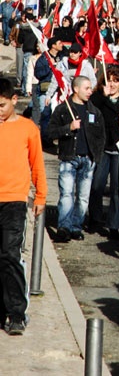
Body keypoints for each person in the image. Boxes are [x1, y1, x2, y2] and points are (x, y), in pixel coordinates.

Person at [0, 78, 47, 335]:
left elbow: (37, 163)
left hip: (15, 200)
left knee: (10, 254)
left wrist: (41, 196)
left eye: (2, 105)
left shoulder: (28, 128)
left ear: (14, 101)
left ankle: (16, 312)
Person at [47, 77, 105, 242]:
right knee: (66, 194)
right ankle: (64, 227)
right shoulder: (63, 109)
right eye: (87, 88)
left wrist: (96, 157)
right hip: (69, 158)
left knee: (83, 197)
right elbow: (50, 132)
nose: (90, 91)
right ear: (76, 89)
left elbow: (101, 135)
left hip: (88, 161)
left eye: (90, 88)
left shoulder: (94, 111)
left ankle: (76, 226)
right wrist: (69, 128)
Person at [88, 69, 119, 240]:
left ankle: (114, 224)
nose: (112, 83)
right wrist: (103, 95)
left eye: (116, 81)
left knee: (118, 187)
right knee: (97, 185)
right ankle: (95, 218)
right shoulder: (99, 96)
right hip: (103, 147)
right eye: (109, 80)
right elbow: (91, 109)